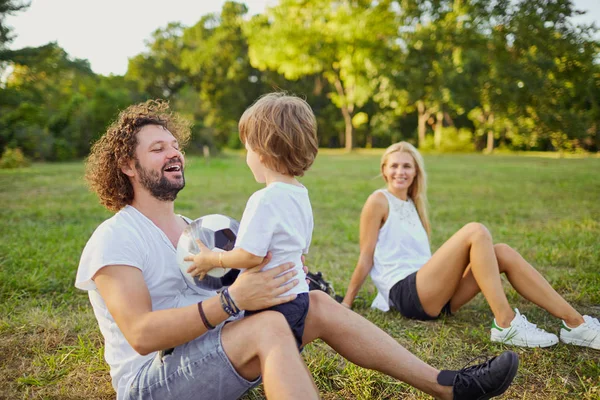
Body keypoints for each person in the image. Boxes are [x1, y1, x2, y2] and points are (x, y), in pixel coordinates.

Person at [76, 100, 519, 400]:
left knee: (319, 304)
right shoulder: (115, 237)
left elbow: (248, 270)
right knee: (268, 328)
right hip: (151, 382)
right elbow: (142, 335)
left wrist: (281, 278)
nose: (174, 153)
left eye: (175, 145)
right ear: (128, 165)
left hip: (214, 352)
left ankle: (449, 386)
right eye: (158, 149)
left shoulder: (201, 230)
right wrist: (231, 300)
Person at [342, 141, 600, 350]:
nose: (400, 171)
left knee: (502, 252)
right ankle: (506, 323)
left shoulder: (414, 205)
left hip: (434, 295)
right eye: (395, 165)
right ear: (384, 169)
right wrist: (346, 304)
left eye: (407, 166)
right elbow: (366, 256)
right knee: (475, 231)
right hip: (406, 293)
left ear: (416, 172)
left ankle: (576, 324)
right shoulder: (378, 200)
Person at [186, 93, 316, 347]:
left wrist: (212, 258)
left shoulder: (264, 199)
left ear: (262, 153)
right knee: (286, 352)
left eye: (247, 149)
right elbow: (302, 249)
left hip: (272, 301)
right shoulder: (301, 193)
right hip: (299, 296)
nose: (246, 158)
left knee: (272, 357)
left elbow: (250, 256)